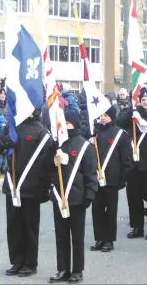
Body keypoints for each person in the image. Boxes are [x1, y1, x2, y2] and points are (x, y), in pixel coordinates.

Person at [2, 108, 53, 277]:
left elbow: (46, 163)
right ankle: (17, 260)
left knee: (29, 226)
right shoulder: (13, 127)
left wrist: (43, 187)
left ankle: (30, 263)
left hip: (31, 187)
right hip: (13, 184)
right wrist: (4, 141)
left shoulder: (41, 131)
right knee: (13, 225)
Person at [49, 110, 98, 284]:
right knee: (61, 235)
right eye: (63, 123)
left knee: (77, 236)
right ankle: (62, 268)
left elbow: (91, 174)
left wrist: (89, 196)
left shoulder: (85, 146)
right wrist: (53, 161)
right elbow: (48, 169)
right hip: (59, 197)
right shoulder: (57, 144)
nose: (65, 126)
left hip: (77, 198)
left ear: (75, 124)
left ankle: (77, 270)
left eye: (68, 123)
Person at [116, 88, 147, 240]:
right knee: (134, 197)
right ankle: (137, 227)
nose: (146, 102)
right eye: (143, 100)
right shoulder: (134, 114)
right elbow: (119, 122)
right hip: (134, 163)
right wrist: (131, 111)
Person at [90, 106, 133, 253]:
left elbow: (127, 158)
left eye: (107, 115)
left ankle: (109, 239)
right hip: (96, 178)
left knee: (111, 210)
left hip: (112, 178)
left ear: (112, 117)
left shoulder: (121, 134)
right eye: (102, 115)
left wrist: (123, 178)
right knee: (97, 210)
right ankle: (99, 238)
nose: (103, 118)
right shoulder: (94, 133)